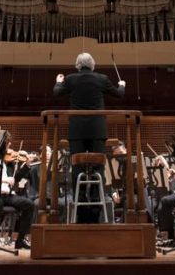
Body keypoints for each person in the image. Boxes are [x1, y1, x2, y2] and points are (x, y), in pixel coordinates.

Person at [53, 52, 124, 223]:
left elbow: (56, 93)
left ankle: (80, 206)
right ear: (93, 64)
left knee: (77, 170)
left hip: (77, 131)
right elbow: (119, 94)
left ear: (78, 65)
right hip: (97, 131)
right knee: (98, 169)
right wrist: (122, 85)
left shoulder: (70, 79)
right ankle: (96, 209)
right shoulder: (101, 78)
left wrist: (58, 81)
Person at [0, 130, 35, 251]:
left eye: (9, 142)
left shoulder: (8, 160)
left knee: (29, 204)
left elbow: (15, 179)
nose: (9, 145)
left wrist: (27, 165)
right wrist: (4, 180)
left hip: (6, 195)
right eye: (6, 142)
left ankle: (20, 239)